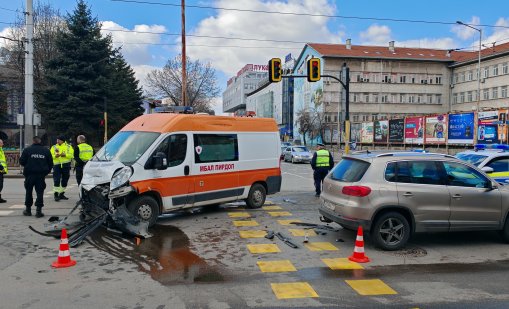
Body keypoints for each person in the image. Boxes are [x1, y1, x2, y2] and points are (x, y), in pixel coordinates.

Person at [19, 136, 53, 217]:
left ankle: (28, 210)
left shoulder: (27, 150)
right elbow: (50, 163)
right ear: (40, 141)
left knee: (28, 192)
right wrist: (46, 172)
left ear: (33, 141)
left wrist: (28, 166)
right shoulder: (46, 150)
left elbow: (22, 161)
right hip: (41, 175)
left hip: (29, 174)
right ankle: (38, 211)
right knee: (40, 192)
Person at [50, 135, 74, 201]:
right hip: (57, 166)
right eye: (57, 140)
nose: (57, 141)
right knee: (56, 180)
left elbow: (72, 155)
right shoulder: (54, 147)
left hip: (66, 165)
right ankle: (56, 194)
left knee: (65, 180)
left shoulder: (69, 147)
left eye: (59, 140)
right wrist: (55, 156)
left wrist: (65, 155)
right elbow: (50, 155)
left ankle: (61, 194)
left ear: (62, 140)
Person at [0, 139, 7, 203]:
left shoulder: (1, 150)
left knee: (0, 185)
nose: (3, 144)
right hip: (0, 170)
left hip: (1, 171)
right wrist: (1, 167)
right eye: (2, 143)